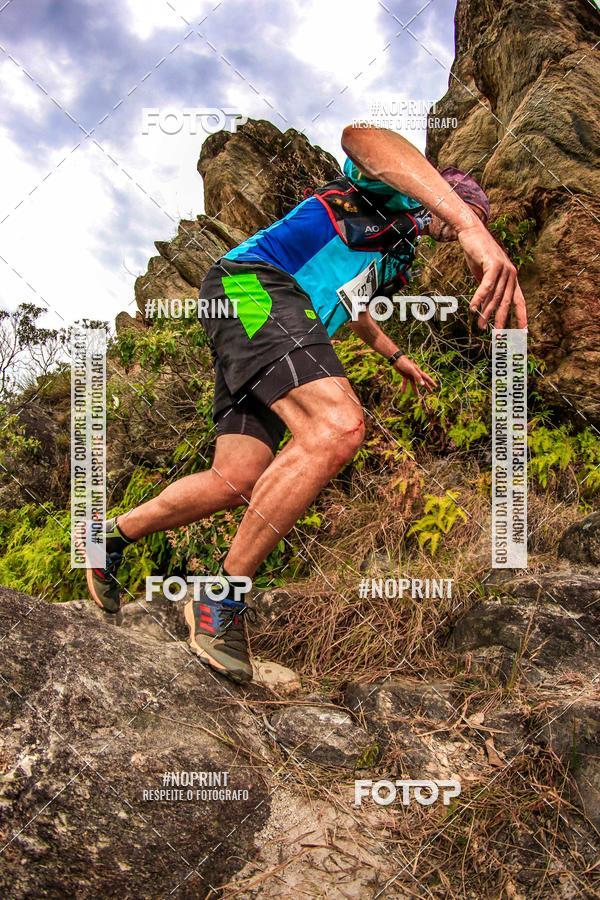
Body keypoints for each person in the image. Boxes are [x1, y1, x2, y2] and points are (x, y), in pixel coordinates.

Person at [87, 126, 528, 683]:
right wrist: (467, 223)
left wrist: (398, 359)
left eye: (478, 219)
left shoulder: (398, 253)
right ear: (443, 192)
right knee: (336, 425)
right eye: (468, 210)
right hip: (250, 285)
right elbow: (360, 137)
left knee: (235, 477)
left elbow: (356, 309)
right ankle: (220, 598)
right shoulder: (389, 190)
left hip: (260, 316)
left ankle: (109, 537)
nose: (466, 224)